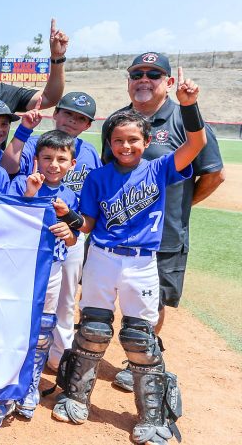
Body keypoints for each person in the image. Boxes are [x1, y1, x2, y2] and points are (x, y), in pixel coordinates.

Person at [52, 94, 207, 444]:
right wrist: (69, 218)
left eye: (133, 140)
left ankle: (152, 417)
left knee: (139, 336)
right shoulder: (97, 177)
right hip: (103, 257)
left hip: (141, 262)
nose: (126, 146)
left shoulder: (159, 168)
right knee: (93, 329)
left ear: (147, 141)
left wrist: (188, 105)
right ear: (109, 142)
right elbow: (89, 224)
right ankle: (76, 396)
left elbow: (196, 142)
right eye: (118, 140)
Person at [101, 54, 225, 392]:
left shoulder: (185, 119)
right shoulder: (116, 121)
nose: (144, 79)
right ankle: (95, 349)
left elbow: (213, 174)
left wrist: (181, 206)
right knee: (106, 295)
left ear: (167, 82)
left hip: (165, 233)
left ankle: (139, 358)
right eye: (136, 73)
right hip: (119, 230)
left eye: (153, 74)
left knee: (151, 301)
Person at [2, 92, 102, 370]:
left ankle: (59, 356)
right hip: (33, 235)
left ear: (87, 125)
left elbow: (91, 198)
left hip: (68, 233)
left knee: (67, 299)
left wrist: (74, 226)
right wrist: (23, 131)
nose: (72, 121)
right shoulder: (36, 143)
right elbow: (10, 168)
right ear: (55, 113)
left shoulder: (89, 152)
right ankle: (23, 354)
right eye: (68, 113)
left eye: (81, 118)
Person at [3, 130, 79, 426]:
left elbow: (74, 239)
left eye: (61, 159)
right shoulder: (20, 184)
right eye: (47, 158)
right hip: (19, 268)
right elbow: (7, 222)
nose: (53, 164)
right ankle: (7, 383)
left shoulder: (70, 194)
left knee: (44, 328)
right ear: (36, 160)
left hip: (53, 268)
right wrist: (30, 196)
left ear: (71, 164)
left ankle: (30, 386)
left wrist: (69, 232)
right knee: (13, 324)